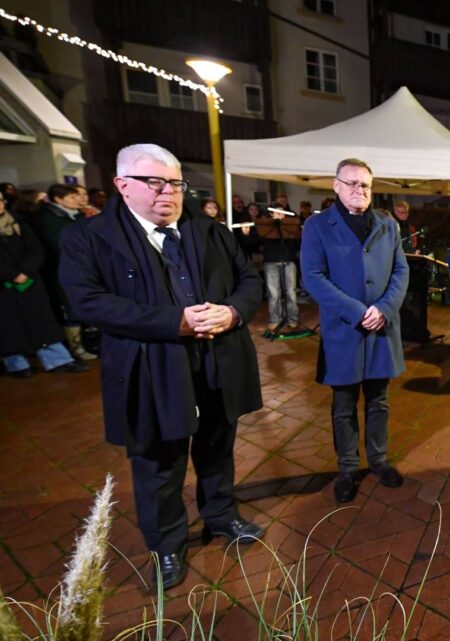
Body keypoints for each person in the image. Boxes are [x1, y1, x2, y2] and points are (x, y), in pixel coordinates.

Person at [59, 143, 265, 590]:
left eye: (174, 183)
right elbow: (87, 302)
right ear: (122, 185)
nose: (166, 193)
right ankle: (167, 545)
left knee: (216, 446)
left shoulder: (208, 230)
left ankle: (220, 516)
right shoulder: (88, 238)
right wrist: (176, 321)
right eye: (153, 182)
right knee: (159, 463)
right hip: (151, 366)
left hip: (217, 360)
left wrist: (232, 312)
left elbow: (250, 279)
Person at [301, 158, 409, 503]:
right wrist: (359, 312)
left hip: (381, 327)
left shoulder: (387, 224)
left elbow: (401, 271)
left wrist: (386, 308)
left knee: (379, 400)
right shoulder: (317, 227)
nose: (358, 190)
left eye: (364, 185)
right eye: (351, 183)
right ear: (335, 186)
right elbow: (314, 278)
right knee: (343, 404)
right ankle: (347, 467)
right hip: (344, 330)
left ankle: (378, 460)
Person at [1, 196, 89, 376]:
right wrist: (11, 275)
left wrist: (25, 271)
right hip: (3, 286)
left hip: (29, 282)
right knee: (8, 327)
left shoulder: (19, 223)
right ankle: (17, 365)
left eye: (1, 200)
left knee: (41, 322)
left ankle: (58, 361)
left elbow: (35, 249)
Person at [29, 183, 98, 362]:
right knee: (69, 309)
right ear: (58, 199)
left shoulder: (76, 215)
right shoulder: (49, 218)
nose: (79, 200)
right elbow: (59, 246)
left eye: (80, 195)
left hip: (81, 270)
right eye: (72, 196)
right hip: (60, 271)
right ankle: (77, 348)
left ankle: (89, 343)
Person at [255, 201, 301, 333]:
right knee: (273, 293)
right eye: (277, 212)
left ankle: (293, 319)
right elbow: (257, 242)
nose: (280, 214)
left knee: (290, 292)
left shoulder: (290, 227)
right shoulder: (266, 227)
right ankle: (274, 319)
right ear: (271, 213)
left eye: (282, 212)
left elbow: (298, 243)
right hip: (271, 262)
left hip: (289, 261)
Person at [394, 199, 430, 343]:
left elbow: (409, 245)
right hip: (395, 268)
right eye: (402, 212)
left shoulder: (409, 227)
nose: (405, 215)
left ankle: (409, 330)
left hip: (409, 266)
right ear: (395, 211)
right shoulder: (392, 225)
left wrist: (415, 251)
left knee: (408, 302)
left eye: (407, 212)